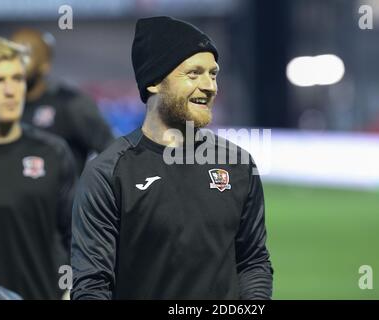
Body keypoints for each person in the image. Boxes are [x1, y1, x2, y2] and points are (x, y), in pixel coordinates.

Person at [71, 16, 273, 300]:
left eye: (213, 74)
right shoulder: (109, 173)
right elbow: (92, 285)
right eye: (194, 74)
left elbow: (253, 262)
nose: (210, 86)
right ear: (154, 81)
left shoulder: (238, 164)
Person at [0, 36, 76, 299]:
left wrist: (70, 291)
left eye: (17, 79)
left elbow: (77, 237)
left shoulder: (52, 152)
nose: (11, 90)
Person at [11, 28, 114, 173]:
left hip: (63, 194)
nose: (17, 63)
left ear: (45, 65)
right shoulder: (2, 105)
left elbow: (112, 153)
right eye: (12, 55)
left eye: (25, 56)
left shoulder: (71, 104)